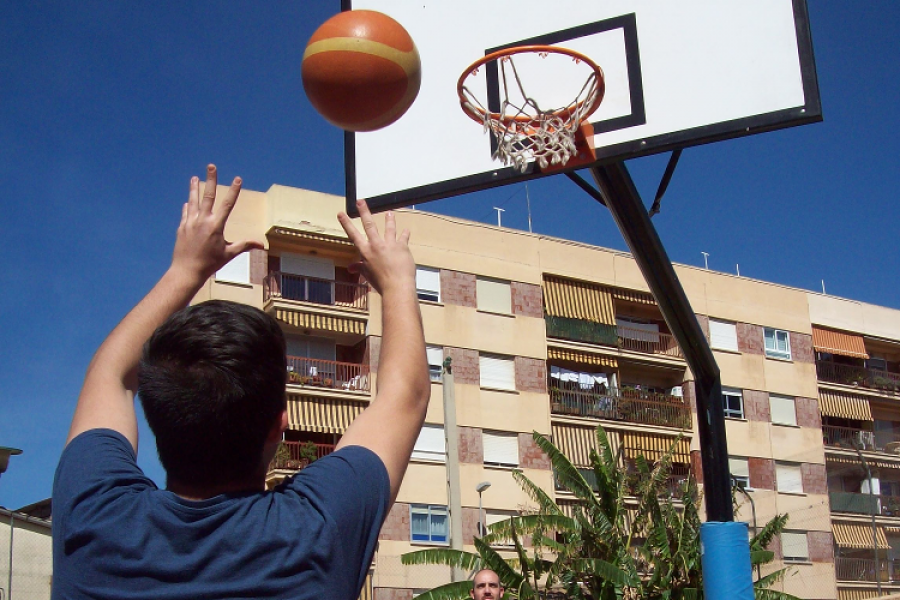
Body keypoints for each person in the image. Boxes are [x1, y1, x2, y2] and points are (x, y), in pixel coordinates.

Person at [52, 165, 431, 599]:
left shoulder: (93, 518)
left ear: (156, 415)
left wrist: (184, 271)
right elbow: (406, 394)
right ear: (278, 424)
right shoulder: (315, 528)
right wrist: (400, 281)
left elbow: (110, 375)